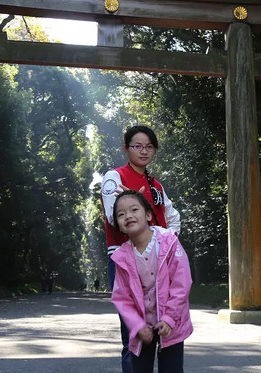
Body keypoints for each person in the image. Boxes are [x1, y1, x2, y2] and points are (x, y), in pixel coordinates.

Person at [100, 125, 181, 372]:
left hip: (160, 262)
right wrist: (134, 202)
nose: (143, 151)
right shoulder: (114, 177)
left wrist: (167, 244)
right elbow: (115, 218)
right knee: (136, 337)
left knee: (168, 332)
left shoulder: (156, 184)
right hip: (126, 261)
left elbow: (173, 217)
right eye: (137, 146)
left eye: (149, 146)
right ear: (126, 149)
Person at [110, 190, 192, 373]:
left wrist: (170, 318)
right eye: (121, 214)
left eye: (133, 210)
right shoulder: (122, 257)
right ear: (120, 226)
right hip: (142, 327)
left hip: (172, 322)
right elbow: (122, 298)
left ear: (148, 215)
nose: (128, 216)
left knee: (171, 369)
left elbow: (182, 283)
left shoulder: (169, 243)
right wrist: (137, 325)